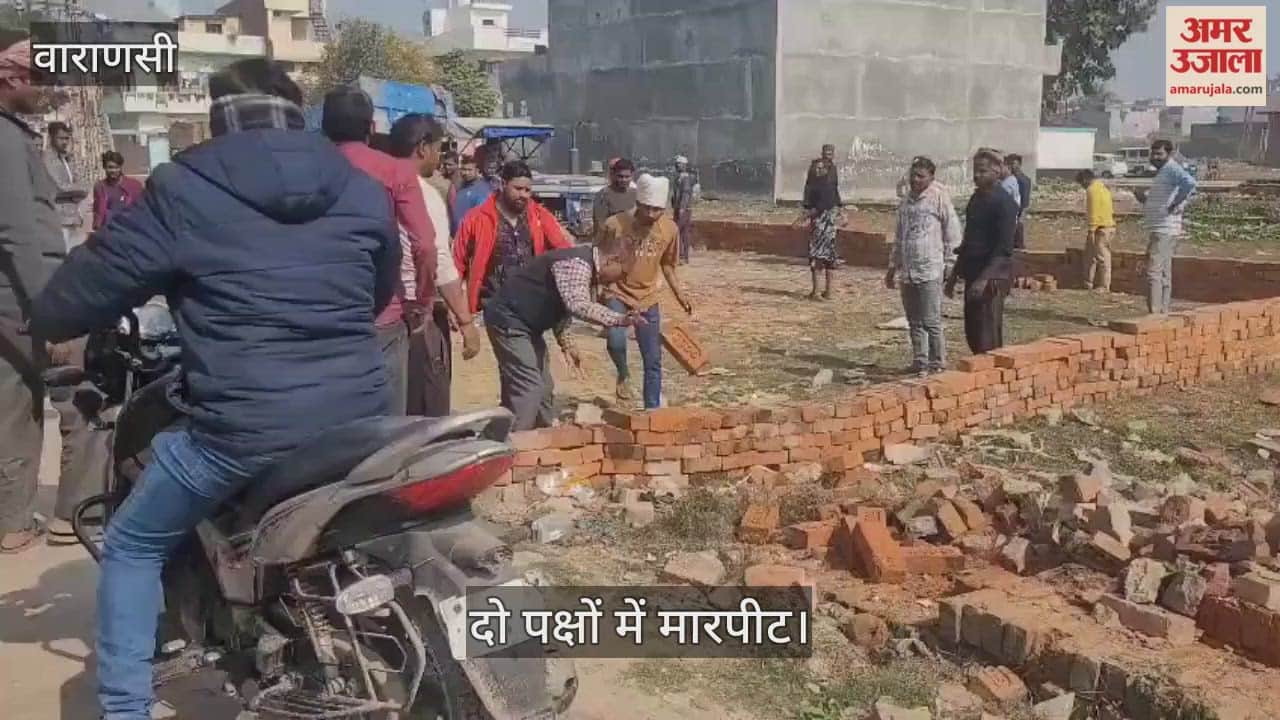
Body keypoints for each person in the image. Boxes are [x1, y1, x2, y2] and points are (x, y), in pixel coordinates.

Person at [30, 58, 400, 719]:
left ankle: (125, 707)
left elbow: (77, 296)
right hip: (362, 414)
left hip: (245, 428)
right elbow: (375, 294)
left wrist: (48, 317)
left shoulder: (184, 186)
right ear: (297, 112)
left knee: (133, 543)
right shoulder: (360, 185)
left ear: (218, 114)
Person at [323, 85, 437, 415]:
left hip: (321, 313)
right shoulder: (395, 171)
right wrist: (423, 301)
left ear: (324, 127)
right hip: (383, 313)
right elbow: (424, 244)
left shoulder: (307, 169)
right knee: (388, 423)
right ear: (372, 127)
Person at [0, 36, 65, 554]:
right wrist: (50, 310)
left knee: (13, 402)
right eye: (38, 80)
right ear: (10, 78)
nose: (44, 91)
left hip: (12, 291)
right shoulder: (5, 138)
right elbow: (17, 232)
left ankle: (13, 517)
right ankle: (52, 518)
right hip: (19, 295)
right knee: (74, 397)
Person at [485, 230, 646, 430]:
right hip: (508, 320)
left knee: (544, 388)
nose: (618, 281)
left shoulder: (585, 267)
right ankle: (511, 443)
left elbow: (560, 308)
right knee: (528, 387)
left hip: (526, 325)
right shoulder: (577, 263)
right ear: (612, 260)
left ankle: (543, 436)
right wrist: (620, 319)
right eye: (622, 273)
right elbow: (577, 304)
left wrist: (567, 344)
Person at [388, 113, 482, 417]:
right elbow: (438, 260)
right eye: (439, 149)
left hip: (380, 314)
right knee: (427, 407)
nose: (440, 158)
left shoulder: (372, 184)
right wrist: (466, 322)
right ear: (422, 148)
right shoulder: (422, 194)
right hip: (416, 313)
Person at [602, 174, 693, 408]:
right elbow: (598, 261)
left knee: (652, 358)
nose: (652, 214)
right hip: (618, 292)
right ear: (638, 203)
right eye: (647, 208)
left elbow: (668, 265)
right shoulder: (615, 224)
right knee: (615, 341)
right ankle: (623, 374)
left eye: (657, 210)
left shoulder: (669, 229)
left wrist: (680, 295)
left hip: (647, 296)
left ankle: (651, 409)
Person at [454, 159, 574, 316]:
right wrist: (455, 305)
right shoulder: (476, 218)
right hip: (489, 306)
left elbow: (563, 250)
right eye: (518, 189)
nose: (523, 195)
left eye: (527, 190)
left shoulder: (539, 216)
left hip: (531, 305)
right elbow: (457, 262)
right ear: (503, 184)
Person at [885, 157, 961, 376]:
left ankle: (937, 363)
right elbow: (900, 236)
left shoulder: (939, 198)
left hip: (930, 269)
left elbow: (953, 233)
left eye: (921, 176)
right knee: (914, 320)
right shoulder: (906, 201)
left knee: (931, 321)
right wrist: (892, 267)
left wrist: (950, 264)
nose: (915, 180)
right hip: (908, 271)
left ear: (931, 177)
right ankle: (920, 361)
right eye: (913, 175)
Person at [947, 149, 1017, 354]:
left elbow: (1004, 248)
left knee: (988, 335)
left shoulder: (1004, 203)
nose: (977, 175)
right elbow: (968, 240)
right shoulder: (976, 199)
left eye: (983, 171)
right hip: (973, 273)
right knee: (973, 331)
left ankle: (992, 371)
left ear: (997, 171)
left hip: (992, 278)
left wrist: (984, 280)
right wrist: (954, 275)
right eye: (975, 170)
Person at [1134, 139, 1196, 314]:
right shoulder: (1163, 172)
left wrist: (1175, 204)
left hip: (1165, 228)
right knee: (1163, 272)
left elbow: (1190, 183)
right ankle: (1163, 310)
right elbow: (1161, 201)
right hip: (1160, 227)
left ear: (1169, 154)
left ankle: (1155, 312)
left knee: (1153, 271)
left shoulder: (1171, 168)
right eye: (1153, 153)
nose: (1155, 157)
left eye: (1159, 154)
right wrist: (1144, 199)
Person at [795, 150, 846, 300]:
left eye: (820, 168)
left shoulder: (821, 187)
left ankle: (816, 292)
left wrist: (802, 218)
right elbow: (836, 200)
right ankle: (828, 292)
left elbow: (819, 206)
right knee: (829, 256)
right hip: (829, 226)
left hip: (821, 225)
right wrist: (842, 213)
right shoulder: (829, 185)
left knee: (817, 256)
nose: (817, 170)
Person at [44, 120, 89, 250]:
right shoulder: (48, 159)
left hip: (73, 216)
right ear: (52, 138)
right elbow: (59, 188)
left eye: (66, 138)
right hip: (58, 218)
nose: (64, 142)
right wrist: (79, 190)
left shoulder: (67, 158)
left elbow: (82, 183)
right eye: (61, 138)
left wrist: (79, 190)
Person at [1077, 169, 1115, 293]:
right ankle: (1088, 282)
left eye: (1081, 183)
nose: (1082, 186)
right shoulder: (1103, 188)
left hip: (1100, 228)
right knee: (1090, 255)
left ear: (1085, 180)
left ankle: (1104, 286)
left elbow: (1093, 210)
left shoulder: (1092, 190)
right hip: (1107, 225)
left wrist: (1091, 230)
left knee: (1102, 257)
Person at [91, 150, 144, 231]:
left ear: (121, 167)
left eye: (116, 167)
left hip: (129, 230)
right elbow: (98, 212)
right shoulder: (100, 187)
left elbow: (142, 210)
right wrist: (97, 229)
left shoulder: (134, 186)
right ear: (104, 167)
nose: (114, 170)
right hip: (109, 231)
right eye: (110, 167)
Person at [592, 157, 637, 235]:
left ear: (632, 176)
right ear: (614, 175)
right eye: (620, 176)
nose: (624, 180)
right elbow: (600, 225)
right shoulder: (603, 195)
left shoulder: (635, 194)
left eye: (627, 177)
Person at [671, 154, 699, 264]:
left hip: (683, 209)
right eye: (677, 164)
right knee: (684, 232)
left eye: (680, 164)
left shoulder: (685, 178)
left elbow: (685, 194)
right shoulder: (680, 177)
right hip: (681, 208)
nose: (678, 166)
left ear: (684, 165)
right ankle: (684, 256)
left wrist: (682, 207)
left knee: (678, 231)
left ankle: (681, 255)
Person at [453, 154, 491, 231]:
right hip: (456, 233)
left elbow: (480, 219)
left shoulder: (483, 189)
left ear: (477, 170)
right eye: (464, 169)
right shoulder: (461, 185)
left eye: (469, 170)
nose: (466, 173)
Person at [1006, 153, 1032, 249]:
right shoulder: (1010, 179)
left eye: (1013, 163)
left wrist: (1020, 212)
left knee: (1017, 233)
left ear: (1019, 165)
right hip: (1013, 211)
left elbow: (1024, 199)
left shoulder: (1022, 180)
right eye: (1009, 164)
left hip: (1017, 211)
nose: (1011, 166)